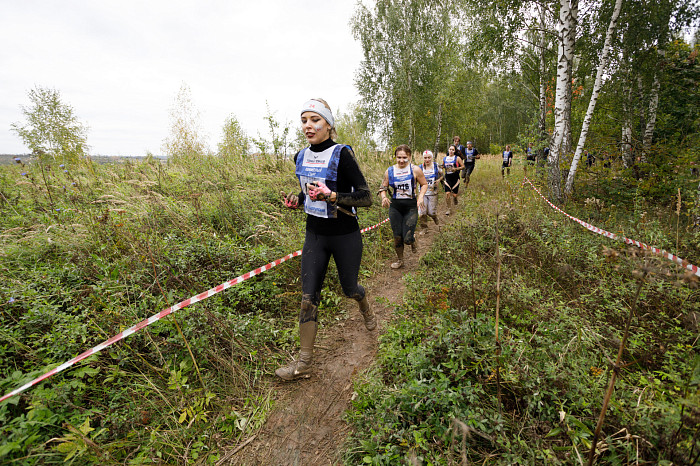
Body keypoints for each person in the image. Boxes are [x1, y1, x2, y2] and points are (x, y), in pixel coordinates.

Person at [277, 98, 374, 381]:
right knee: (308, 297)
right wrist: (298, 199)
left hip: (345, 235)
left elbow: (365, 197)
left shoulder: (342, 154)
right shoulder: (300, 156)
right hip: (315, 235)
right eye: (304, 120)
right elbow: (308, 193)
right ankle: (303, 362)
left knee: (349, 288)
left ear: (328, 124)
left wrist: (332, 195)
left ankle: (363, 301)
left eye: (315, 120)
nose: (308, 126)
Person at [379, 144, 428, 269]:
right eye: (399, 157)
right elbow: (383, 187)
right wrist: (384, 197)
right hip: (395, 206)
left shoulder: (415, 170)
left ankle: (412, 239)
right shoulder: (389, 171)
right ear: (395, 157)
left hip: (410, 206)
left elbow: (424, 184)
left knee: (407, 238)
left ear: (410, 157)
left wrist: (421, 196)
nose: (401, 160)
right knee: (397, 236)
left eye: (404, 157)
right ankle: (400, 260)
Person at [418, 149, 443, 231]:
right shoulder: (420, 168)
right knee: (422, 213)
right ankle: (424, 229)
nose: (427, 160)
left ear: (431, 157)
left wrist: (439, 180)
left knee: (431, 212)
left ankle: (434, 216)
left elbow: (442, 175)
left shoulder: (436, 166)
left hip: (433, 192)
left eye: (429, 157)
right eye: (425, 158)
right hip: (423, 193)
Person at [441, 144, 464, 215]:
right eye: (450, 149)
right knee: (447, 194)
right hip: (447, 178)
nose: (451, 151)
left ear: (454, 151)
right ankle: (449, 209)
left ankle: (455, 198)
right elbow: (443, 166)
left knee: (454, 195)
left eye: (452, 150)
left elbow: (463, 166)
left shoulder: (457, 158)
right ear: (448, 150)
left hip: (455, 178)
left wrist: (456, 169)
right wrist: (441, 167)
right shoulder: (445, 158)